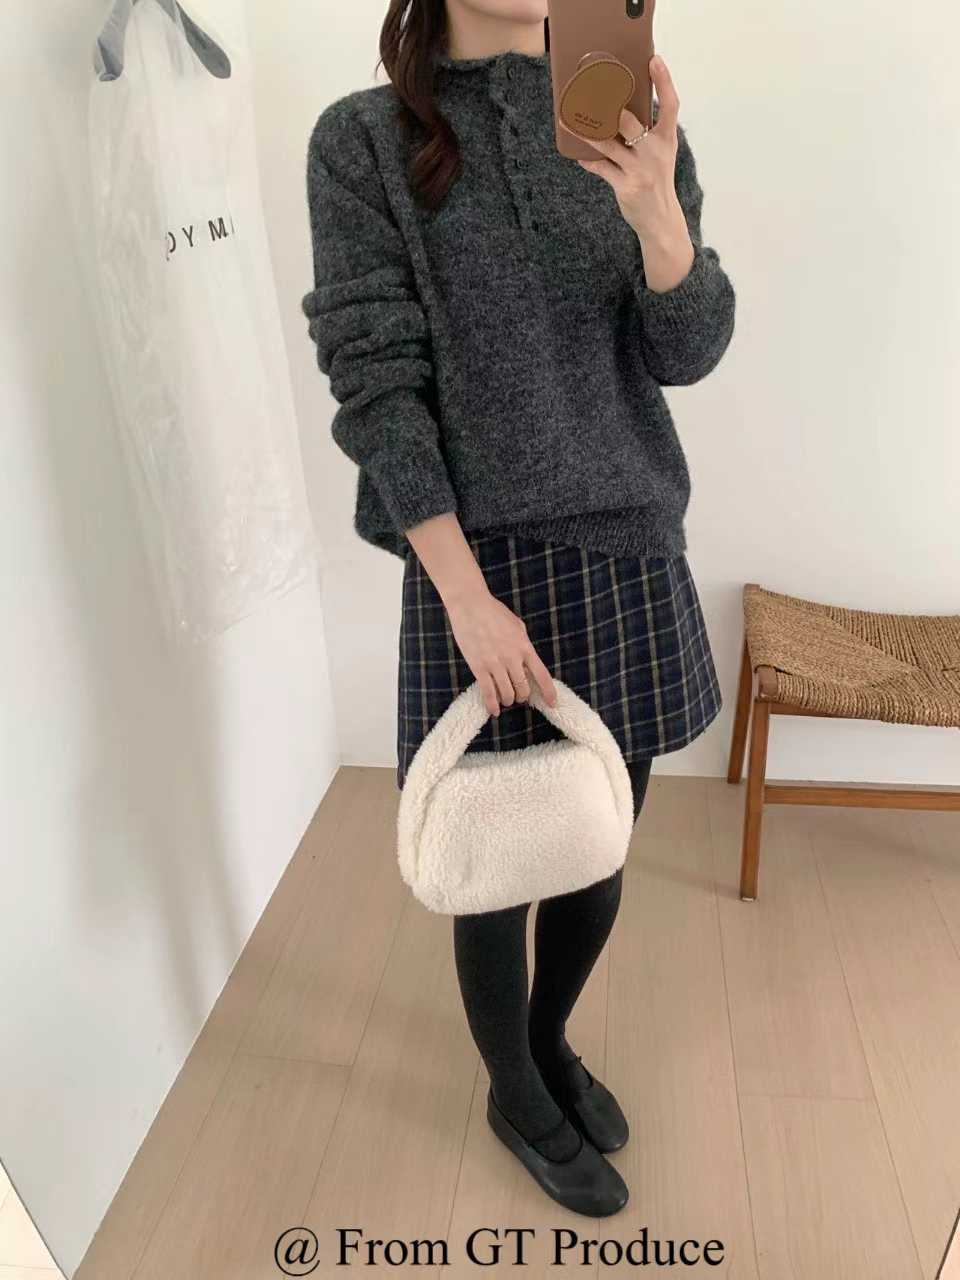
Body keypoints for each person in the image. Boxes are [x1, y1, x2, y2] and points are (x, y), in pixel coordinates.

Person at [301, 0, 735, 1217]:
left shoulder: (626, 120)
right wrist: (464, 597)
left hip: (629, 542)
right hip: (477, 571)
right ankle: (513, 1089)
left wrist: (657, 214)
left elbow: (687, 351)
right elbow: (377, 385)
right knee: (496, 857)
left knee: (599, 835)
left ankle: (549, 1040)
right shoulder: (365, 141)